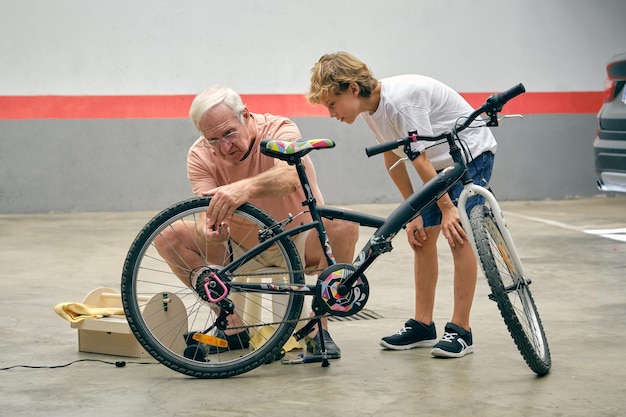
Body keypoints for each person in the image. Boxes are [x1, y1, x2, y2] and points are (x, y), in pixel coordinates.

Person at [306, 51, 497, 358]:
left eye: (332, 103)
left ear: (353, 89)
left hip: (469, 155)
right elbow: (393, 156)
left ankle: (462, 330)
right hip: (435, 165)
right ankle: (423, 325)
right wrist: (413, 212)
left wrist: (448, 210)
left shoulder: (400, 101)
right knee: (422, 240)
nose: (331, 113)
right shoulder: (370, 110)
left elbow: (418, 158)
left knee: (458, 236)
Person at [156, 86, 358, 358]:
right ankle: (231, 324)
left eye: (228, 133)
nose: (225, 147)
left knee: (343, 223)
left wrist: (245, 189)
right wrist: (212, 229)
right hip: (240, 247)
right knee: (167, 235)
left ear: (246, 116)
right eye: (213, 139)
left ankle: (318, 326)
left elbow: (290, 177)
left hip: (299, 240)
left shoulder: (279, 129)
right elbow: (205, 210)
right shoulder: (200, 154)